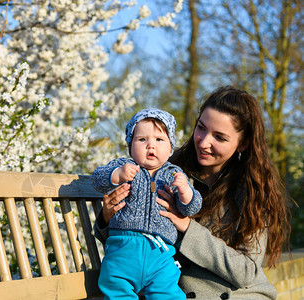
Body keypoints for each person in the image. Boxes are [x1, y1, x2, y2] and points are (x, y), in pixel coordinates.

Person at [93, 86, 290, 299]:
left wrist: (187, 227)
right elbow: (127, 244)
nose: (204, 142)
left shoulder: (253, 192)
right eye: (201, 128)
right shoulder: (165, 167)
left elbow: (245, 272)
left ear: (242, 144)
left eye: (220, 137)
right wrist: (106, 217)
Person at [91, 108, 202, 299]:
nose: (151, 145)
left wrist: (185, 191)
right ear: (130, 145)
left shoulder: (174, 174)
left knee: (167, 292)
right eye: (142, 140)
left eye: (159, 140)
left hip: (160, 253)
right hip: (123, 248)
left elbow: (191, 207)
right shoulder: (124, 166)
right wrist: (116, 175)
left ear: (170, 148)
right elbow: (97, 179)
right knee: (116, 286)